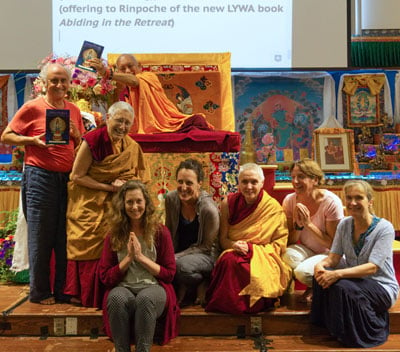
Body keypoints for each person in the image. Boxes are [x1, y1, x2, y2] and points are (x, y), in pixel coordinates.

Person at [0, 63, 85, 304]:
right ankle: (39, 292)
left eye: (63, 81)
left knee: (63, 236)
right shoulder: (32, 107)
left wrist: (77, 135)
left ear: (69, 84)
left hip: (67, 179)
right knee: (41, 234)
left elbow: (79, 145)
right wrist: (33, 141)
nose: (59, 85)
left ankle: (61, 291)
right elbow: (6, 135)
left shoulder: (73, 111)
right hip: (40, 177)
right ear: (44, 83)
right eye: (54, 80)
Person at [65, 101, 151, 307]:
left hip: (118, 200)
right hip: (89, 197)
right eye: (119, 120)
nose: (122, 126)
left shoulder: (131, 146)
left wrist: (125, 188)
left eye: (127, 123)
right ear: (107, 119)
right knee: (89, 235)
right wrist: (110, 188)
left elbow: (140, 176)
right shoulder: (92, 140)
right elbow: (76, 176)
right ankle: (86, 293)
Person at [312, 180, 399, 348]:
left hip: (381, 286)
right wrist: (320, 266)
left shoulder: (384, 228)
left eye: (358, 198)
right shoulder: (344, 225)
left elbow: (372, 267)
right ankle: (328, 326)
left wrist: (337, 274)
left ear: (370, 201)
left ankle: (359, 331)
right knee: (322, 276)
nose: (352, 203)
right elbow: (334, 258)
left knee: (341, 286)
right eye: (349, 198)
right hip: (356, 282)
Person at [98, 180, 179, 352]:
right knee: (115, 298)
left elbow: (169, 273)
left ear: (146, 203)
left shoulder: (160, 232)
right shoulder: (114, 234)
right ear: (122, 204)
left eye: (138, 201)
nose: (135, 207)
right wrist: (128, 258)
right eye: (129, 202)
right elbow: (105, 277)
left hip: (154, 287)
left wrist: (141, 257)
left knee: (145, 299)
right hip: (124, 287)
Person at [205, 163, 292, 314]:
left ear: (262, 183)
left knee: (250, 269)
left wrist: (252, 249)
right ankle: (227, 307)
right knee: (228, 261)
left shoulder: (273, 208)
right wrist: (234, 244)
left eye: (254, 182)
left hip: (263, 256)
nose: (249, 186)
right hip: (235, 251)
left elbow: (279, 244)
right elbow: (223, 239)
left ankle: (253, 306)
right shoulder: (228, 203)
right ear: (238, 183)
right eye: (244, 182)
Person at [87, 54, 214, 134]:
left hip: (167, 123)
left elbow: (134, 81)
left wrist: (106, 73)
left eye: (130, 66)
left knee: (197, 121)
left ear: (139, 67)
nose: (127, 71)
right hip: (140, 130)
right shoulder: (124, 94)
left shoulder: (148, 77)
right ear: (118, 70)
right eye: (123, 69)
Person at [282, 159, 344, 303]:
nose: (295, 181)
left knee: (302, 273)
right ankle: (316, 283)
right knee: (283, 254)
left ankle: (319, 287)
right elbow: (289, 241)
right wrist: (298, 226)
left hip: (330, 254)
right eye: (293, 177)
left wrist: (309, 224)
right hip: (307, 250)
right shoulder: (290, 200)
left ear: (315, 179)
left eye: (301, 177)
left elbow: (333, 244)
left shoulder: (330, 202)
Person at [165, 158, 220, 307]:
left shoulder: (209, 209)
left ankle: (202, 282)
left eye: (189, 183)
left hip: (205, 256)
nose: (183, 187)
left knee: (182, 268)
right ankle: (191, 285)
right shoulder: (171, 199)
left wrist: (174, 258)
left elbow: (207, 247)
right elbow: (168, 233)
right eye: (180, 182)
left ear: (199, 183)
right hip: (179, 254)